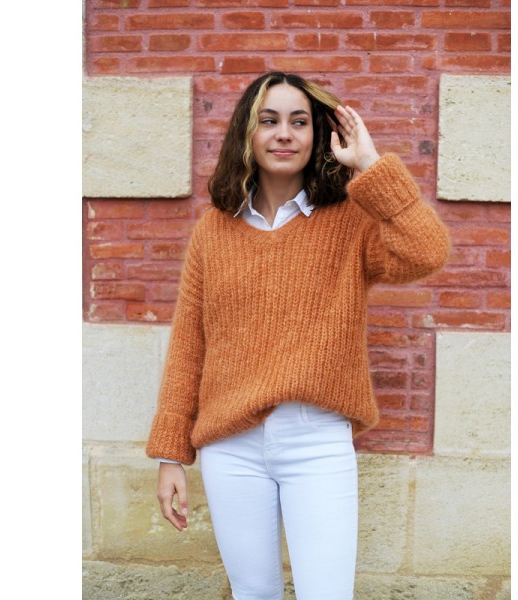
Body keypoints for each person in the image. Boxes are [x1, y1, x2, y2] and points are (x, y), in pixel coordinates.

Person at [146, 71, 450, 600]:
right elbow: (190, 344)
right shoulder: (214, 229)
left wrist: (371, 165)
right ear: (248, 132)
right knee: (252, 592)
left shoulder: (350, 221)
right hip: (229, 445)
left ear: (317, 135)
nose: (284, 134)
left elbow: (427, 252)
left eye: (299, 121)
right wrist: (171, 454)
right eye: (269, 121)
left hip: (317, 440)